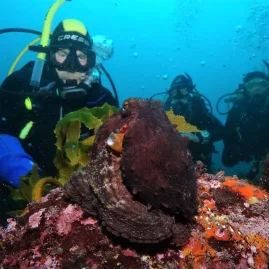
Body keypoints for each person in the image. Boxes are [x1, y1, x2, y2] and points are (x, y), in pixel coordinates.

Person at [0, 19, 119, 189]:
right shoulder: (22, 85)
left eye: (80, 57)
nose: (72, 66)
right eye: (63, 54)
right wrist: (25, 176)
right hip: (16, 191)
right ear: (50, 55)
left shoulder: (102, 100)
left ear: (91, 61)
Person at [164, 73, 224, 169]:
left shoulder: (199, 108)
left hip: (200, 160)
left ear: (190, 91)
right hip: (173, 162)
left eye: (183, 90)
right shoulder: (165, 111)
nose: (179, 95)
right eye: (175, 91)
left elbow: (220, 131)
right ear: (170, 94)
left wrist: (199, 137)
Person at [222, 70, 269, 181]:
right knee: (227, 160)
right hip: (246, 148)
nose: (257, 89)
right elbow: (227, 134)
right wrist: (235, 148)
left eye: (262, 84)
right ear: (245, 89)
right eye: (252, 85)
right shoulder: (238, 109)